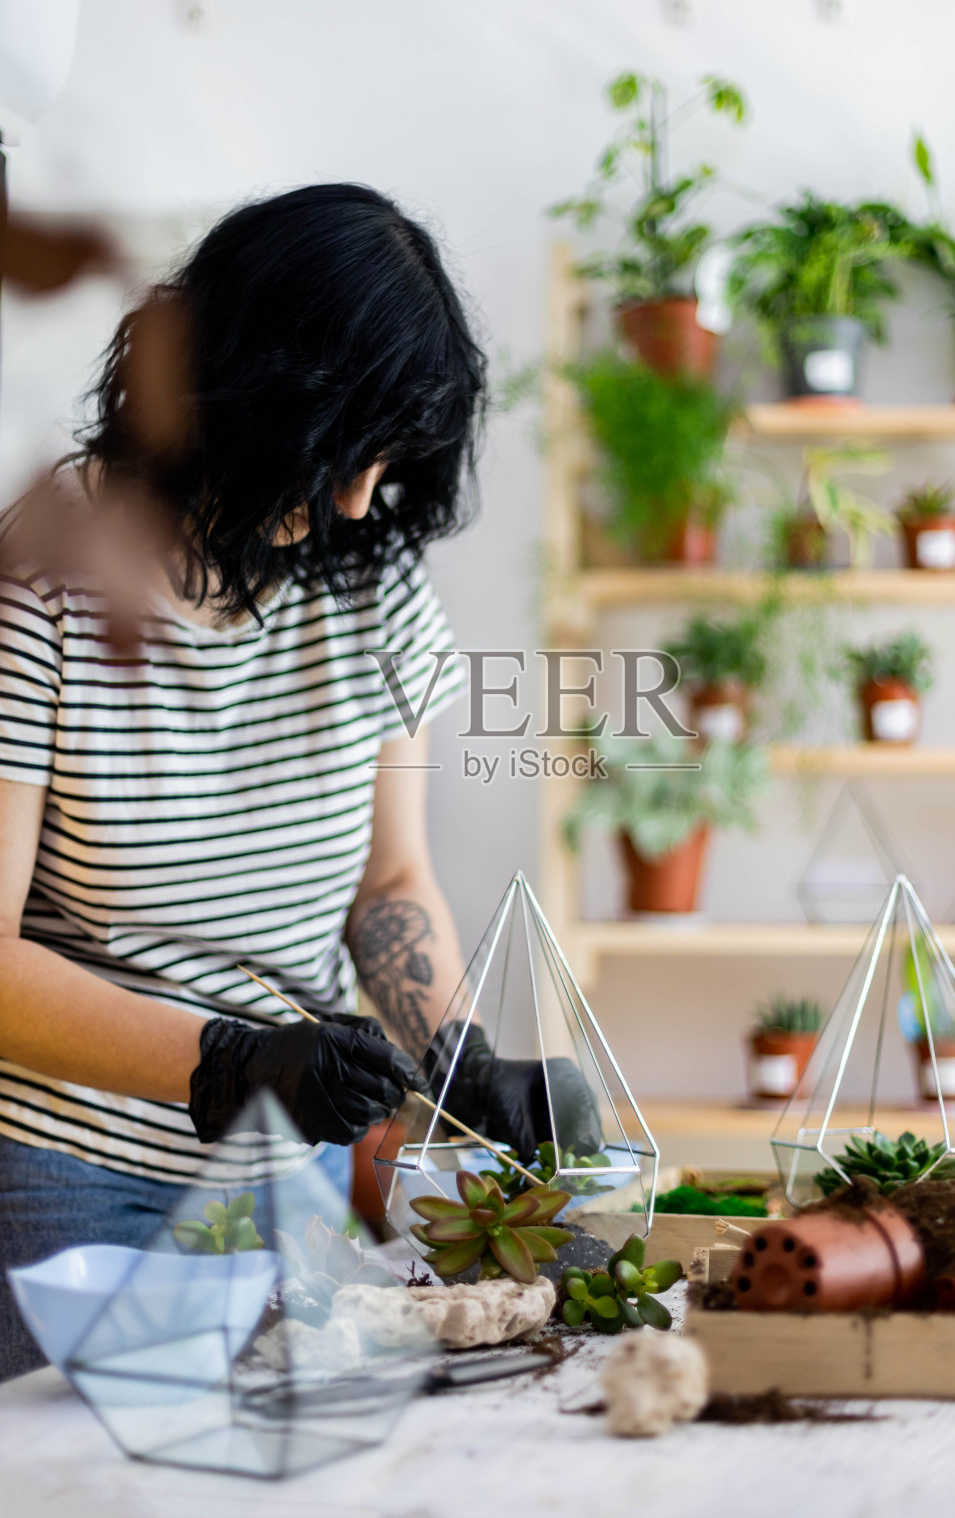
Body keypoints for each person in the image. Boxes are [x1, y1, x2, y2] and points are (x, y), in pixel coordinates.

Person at [0, 183, 585, 1382]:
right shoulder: (42, 588)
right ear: (243, 398)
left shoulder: (365, 576)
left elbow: (389, 881)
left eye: (385, 461)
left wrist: (458, 1057)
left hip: (288, 1176)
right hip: (71, 1177)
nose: (360, 500)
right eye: (341, 452)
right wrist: (225, 1060)